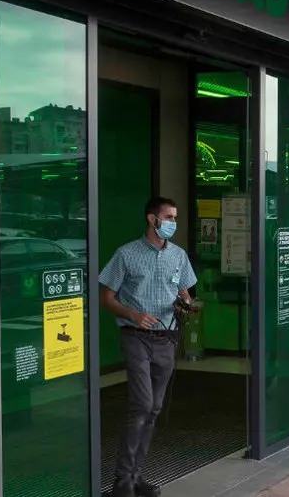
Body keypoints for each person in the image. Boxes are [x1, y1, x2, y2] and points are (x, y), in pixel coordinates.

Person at [100, 197, 198, 497]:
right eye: (168, 217)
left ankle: (135, 477)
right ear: (151, 219)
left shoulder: (178, 256)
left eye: (175, 217)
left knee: (153, 409)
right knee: (141, 404)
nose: (172, 222)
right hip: (135, 337)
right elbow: (106, 298)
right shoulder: (126, 254)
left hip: (166, 339)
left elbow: (184, 290)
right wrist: (133, 314)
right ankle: (121, 482)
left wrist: (185, 303)